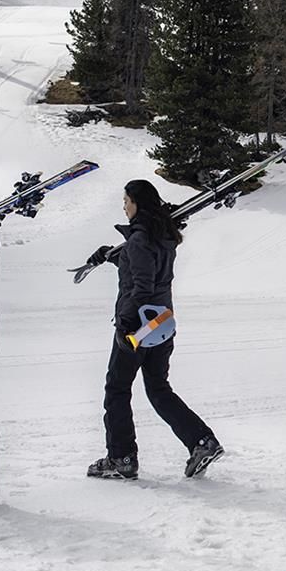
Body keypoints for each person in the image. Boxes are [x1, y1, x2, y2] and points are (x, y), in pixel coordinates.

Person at [85, 179, 223, 480]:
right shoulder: (162, 235)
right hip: (162, 322)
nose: (124, 206)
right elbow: (145, 266)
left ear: (136, 202)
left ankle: (121, 458)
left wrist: (124, 324)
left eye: (126, 200)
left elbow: (142, 285)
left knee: (117, 390)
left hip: (139, 327)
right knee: (158, 388)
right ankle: (201, 441)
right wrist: (113, 255)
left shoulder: (140, 239)